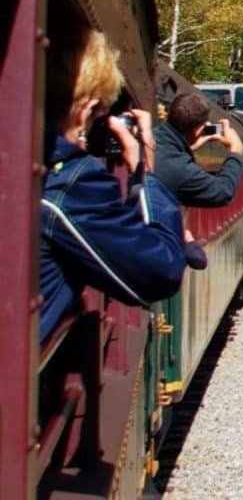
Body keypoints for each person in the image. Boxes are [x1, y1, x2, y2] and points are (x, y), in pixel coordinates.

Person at [40, 28, 187, 344]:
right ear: (86, 110)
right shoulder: (69, 181)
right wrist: (143, 170)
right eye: (98, 117)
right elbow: (161, 270)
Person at [153, 92, 243, 207]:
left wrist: (187, 149)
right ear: (198, 130)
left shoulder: (150, 136)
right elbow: (223, 192)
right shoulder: (181, 170)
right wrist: (235, 150)